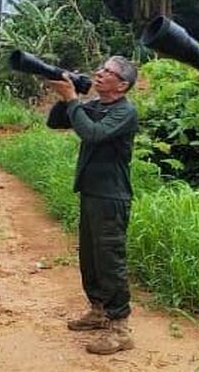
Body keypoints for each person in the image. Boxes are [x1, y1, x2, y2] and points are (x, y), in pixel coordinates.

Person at [46, 55, 139, 355]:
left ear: (122, 85)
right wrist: (66, 95)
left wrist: (73, 98)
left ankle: (121, 327)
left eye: (107, 72)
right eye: (100, 69)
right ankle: (98, 310)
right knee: (91, 257)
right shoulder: (97, 106)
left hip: (111, 197)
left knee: (110, 260)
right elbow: (56, 122)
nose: (99, 74)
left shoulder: (125, 111)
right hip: (91, 193)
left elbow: (92, 133)